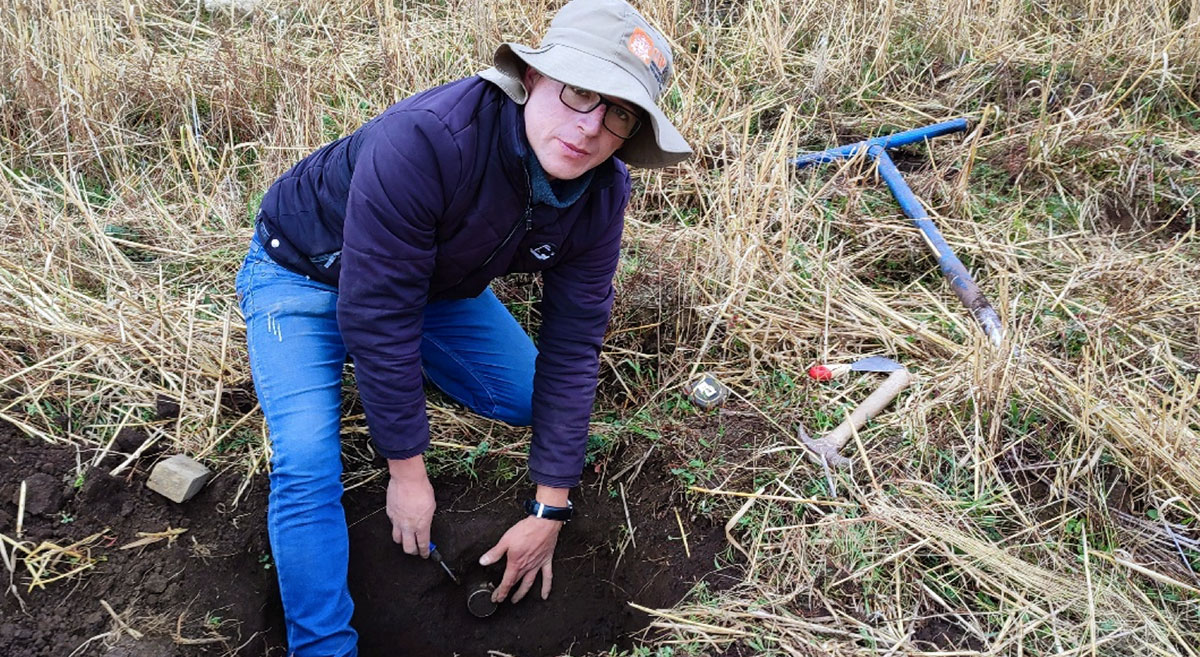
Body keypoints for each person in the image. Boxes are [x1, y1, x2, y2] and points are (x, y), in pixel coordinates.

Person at [234, 0, 691, 654]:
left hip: (432, 289)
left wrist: (550, 507)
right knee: (307, 461)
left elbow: (573, 345)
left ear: (631, 133)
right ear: (533, 77)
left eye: (618, 113)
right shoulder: (427, 141)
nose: (590, 127)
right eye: (580, 92)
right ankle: (324, 644)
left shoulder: (602, 193)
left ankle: (393, 362)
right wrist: (408, 470)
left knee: (528, 395)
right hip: (301, 273)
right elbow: (378, 308)